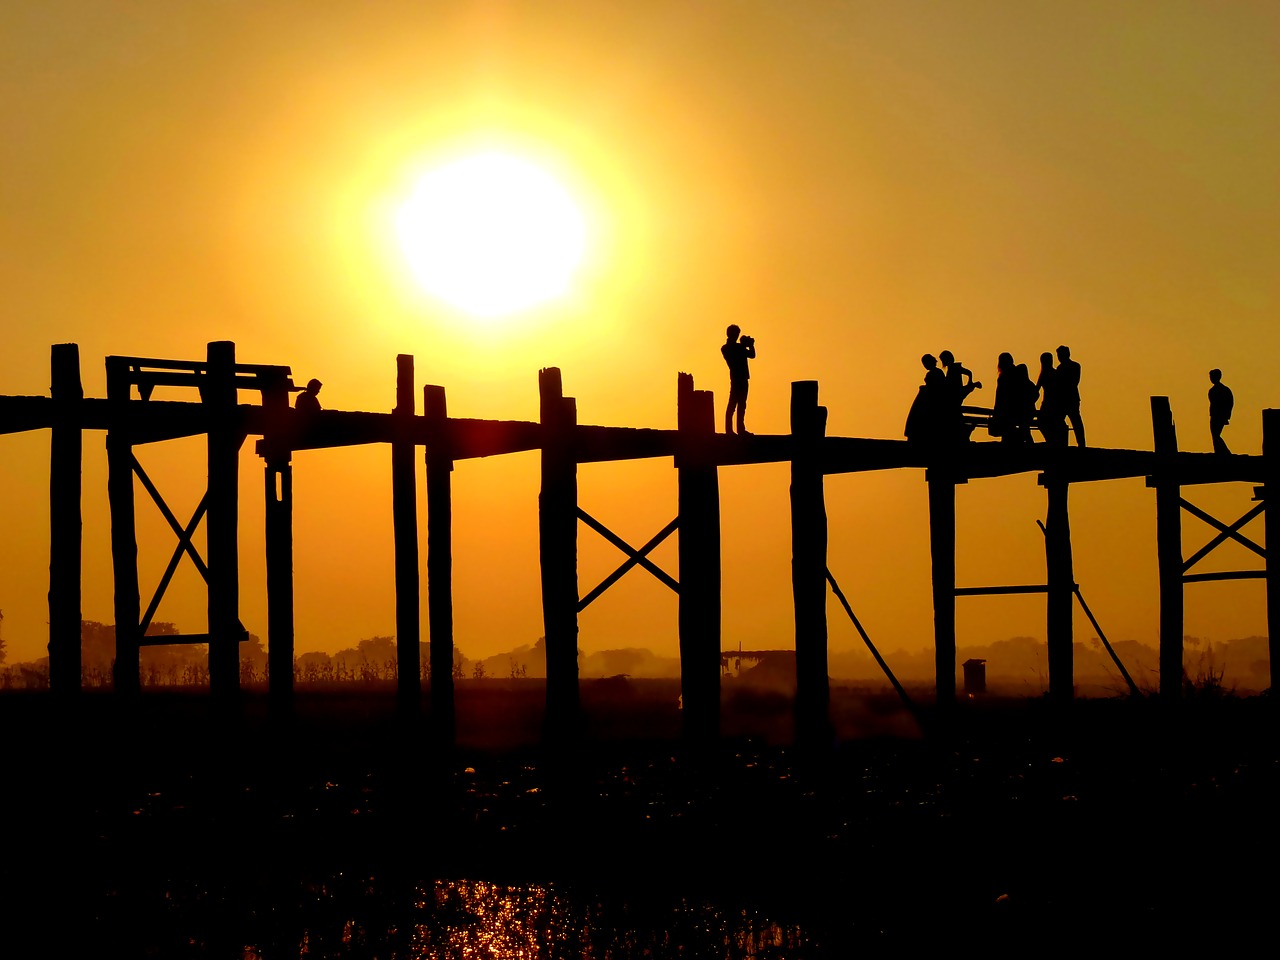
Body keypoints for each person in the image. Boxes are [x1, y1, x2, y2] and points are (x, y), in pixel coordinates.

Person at [939, 350, 982, 443]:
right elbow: (968, 372)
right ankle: (972, 385)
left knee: (954, 415)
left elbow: (968, 372)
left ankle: (973, 385)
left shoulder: (954, 368)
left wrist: (970, 381)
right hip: (955, 394)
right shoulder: (952, 368)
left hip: (955, 394)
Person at [721, 325, 756, 435]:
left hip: (740, 378)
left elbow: (752, 355)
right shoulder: (728, 348)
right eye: (736, 333)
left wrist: (748, 345)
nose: (737, 336)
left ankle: (736, 430)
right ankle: (732, 430)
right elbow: (752, 354)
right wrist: (749, 345)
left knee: (741, 404)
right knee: (734, 404)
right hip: (738, 379)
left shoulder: (730, 348)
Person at [904, 353, 946, 445]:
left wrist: (925, 389)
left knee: (917, 413)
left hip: (931, 401)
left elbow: (936, 388)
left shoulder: (936, 373)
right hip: (928, 398)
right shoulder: (936, 372)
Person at [1035, 352, 1068, 446]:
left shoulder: (1044, 374)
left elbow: (1036, 390)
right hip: (1055, 404)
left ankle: (1050, 441)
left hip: (1047, 404)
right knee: (1050, 424)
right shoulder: (1056, 373)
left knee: (1042, 423)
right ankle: (1052, 441)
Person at [1055, 345, 1085, 447]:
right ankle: (1080, 443)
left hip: (1066, 398)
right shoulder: (1075, 366)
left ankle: (1077, 443)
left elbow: (1070, 383)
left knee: (1073, 420)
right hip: (1070, 398)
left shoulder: (1061, 368)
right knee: (1075, 421)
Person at [1208, 368, 1234, 455]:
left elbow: (1229, 403)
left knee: (1216, 435)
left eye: (1212, 376)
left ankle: (1225, 452)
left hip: (1219, 416)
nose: (1211, 378)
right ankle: (1219, 452)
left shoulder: (1224, 390)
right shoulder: (1212, 391)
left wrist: (1226, 415)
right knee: (1214, 434)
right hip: (1214, 415)